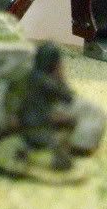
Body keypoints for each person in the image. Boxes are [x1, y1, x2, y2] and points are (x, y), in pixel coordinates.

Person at [17, 42, 76, 170]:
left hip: (25, 122)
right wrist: (60, 76)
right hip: (38, 127)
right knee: (71, 122)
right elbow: (68, 98)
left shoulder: (31, 76)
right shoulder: (46, 82)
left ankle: (27, 150)